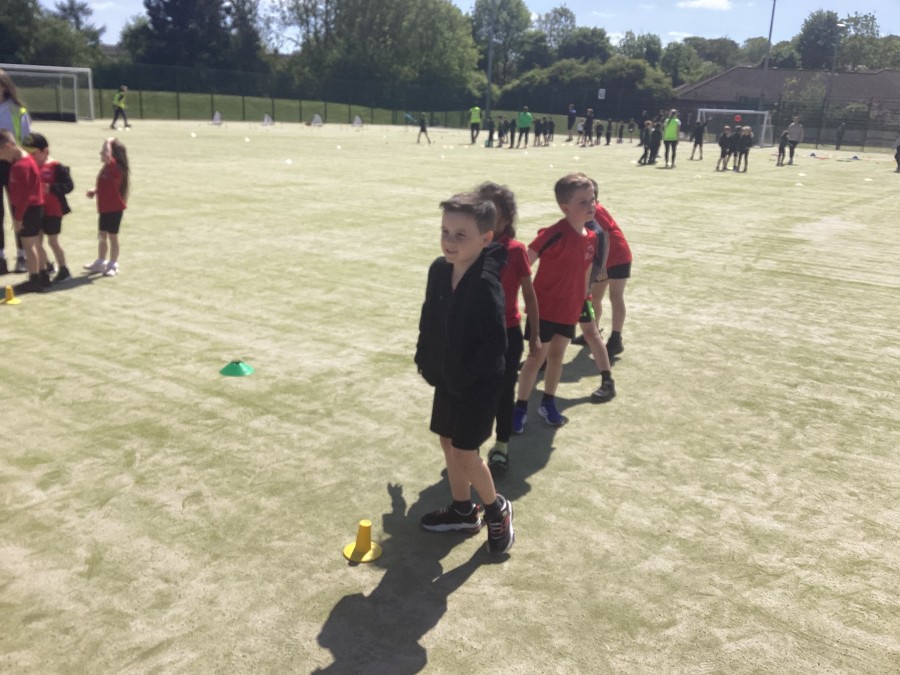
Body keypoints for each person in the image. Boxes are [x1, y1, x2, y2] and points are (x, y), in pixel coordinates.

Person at [414, 191, 515, 556]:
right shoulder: (439, 270)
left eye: (460, 235)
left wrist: (464, 379)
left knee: (465, 452)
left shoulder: (486, 283)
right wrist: (425, 358)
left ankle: (497, 510)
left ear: (485, 238)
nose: (449, 242)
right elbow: (430, 318)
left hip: (478, 384)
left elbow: (494, 347)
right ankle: (462, 510)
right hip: (449, 377)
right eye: (445, 232)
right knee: (447, 441)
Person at [512, 173, 598, 433]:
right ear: (565, 207)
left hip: (570, 310)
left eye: (592, 199)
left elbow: (586, 272)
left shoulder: (592, 237)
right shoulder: (554, 233)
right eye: (583, 202)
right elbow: (525, 261)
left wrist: (584, 301)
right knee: (536, 358)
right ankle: (520, 407)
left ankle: (548, 403)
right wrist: (516, 295)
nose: (591, 205)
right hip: (544, 310)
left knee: (557, 356)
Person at [474, 182, 540, 478]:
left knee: (503, 391)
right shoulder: (472, 244)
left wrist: (534, 335)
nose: (486, 214)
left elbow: (530, 295)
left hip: (507, 334)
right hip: (475, 332)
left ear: (507, 217)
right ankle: (471, 445)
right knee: (475, 389)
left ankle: (501, 445)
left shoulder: (515, 250)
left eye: (494, 210)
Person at [23, 132, 73, 283]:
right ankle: (45, 267)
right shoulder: (29, 165)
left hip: (53, 210)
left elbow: (69, 186)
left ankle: (64, 270)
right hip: (36, 209)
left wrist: (51, 188)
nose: (30, 156)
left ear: (45, 151)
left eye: (34, 153)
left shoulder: (56, 167)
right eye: (28, 152)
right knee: (37, 241)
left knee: (53, 241)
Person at [0, 129, 43, 291]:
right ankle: (39, 276)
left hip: (29, 210)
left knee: (29, 245)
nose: (0, 158)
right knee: (33, 244)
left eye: (0, 153)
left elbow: (25, 196)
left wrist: (18, 219)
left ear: (9, 146)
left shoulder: (21, 166)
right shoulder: (23, 160)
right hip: (32, 208)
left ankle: (35, 279)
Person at [83, 138, 129, 277]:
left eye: (103, 151)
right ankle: (101, 261)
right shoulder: (106, 167)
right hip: (104, 208)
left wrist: (108, 141)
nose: (101, 153)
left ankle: (113, 264)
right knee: (102, 235)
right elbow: (107, 184)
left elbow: (108, 155)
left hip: (114, 209)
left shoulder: (115, 166)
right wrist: (95, 190)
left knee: (112, 237)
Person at [0, 68, 31, 275]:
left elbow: (26, 141)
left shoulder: (17, 111)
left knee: (18, 211)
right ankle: (0, 257)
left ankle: (22, 256)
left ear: (4, 87)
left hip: (14, 166)